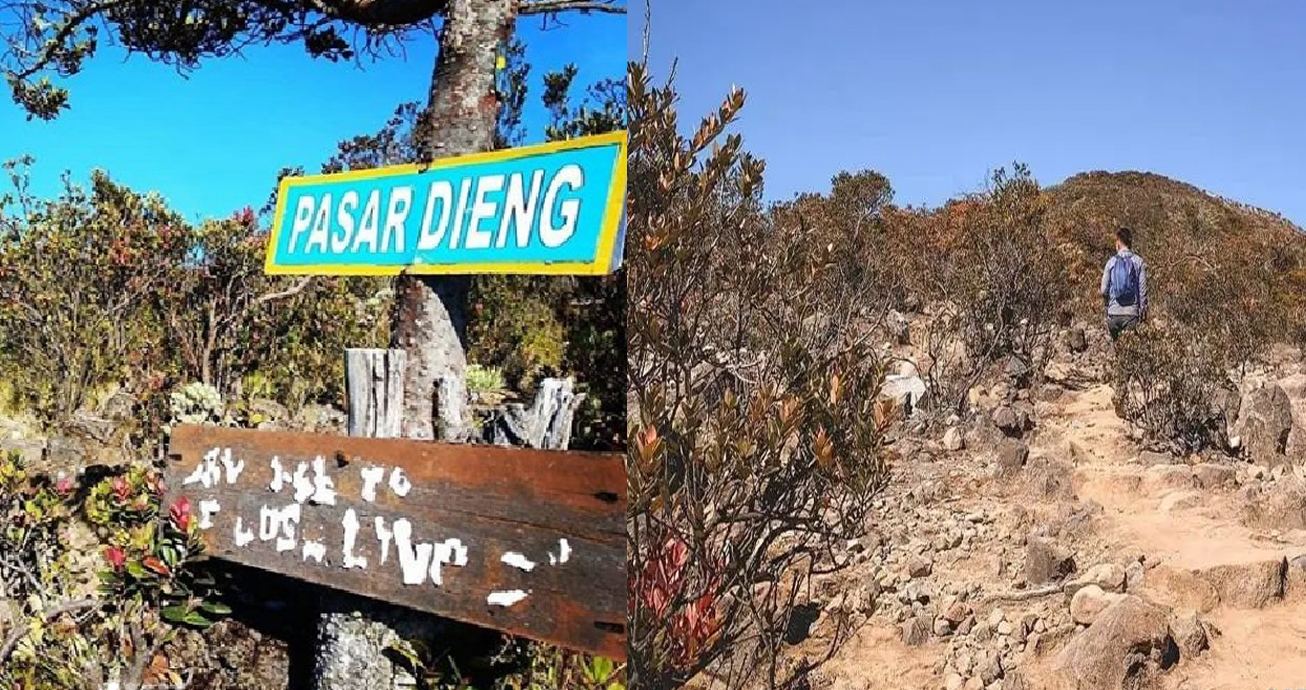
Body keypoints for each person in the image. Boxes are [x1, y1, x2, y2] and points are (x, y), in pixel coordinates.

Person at [1100, 227, 1148, 341]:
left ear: (1118, 243)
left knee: (1117, 348)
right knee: (1130, 353)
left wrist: (1108, 307)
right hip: (1131, 314)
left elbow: (1103, 290)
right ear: (1130, 243)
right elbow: (1143, 290)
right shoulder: (1138, 262)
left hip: (1113, 314)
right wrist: (1143, 311)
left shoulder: (1111, 262)